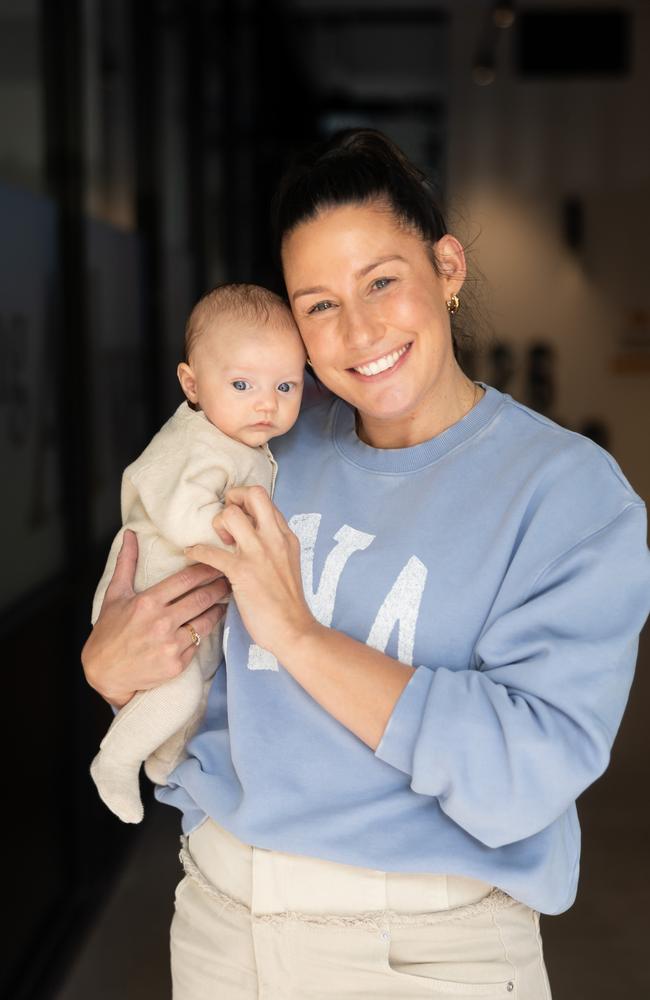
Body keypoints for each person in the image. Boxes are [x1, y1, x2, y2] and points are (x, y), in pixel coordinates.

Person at [82, 130, 650, 998]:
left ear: (447, 268)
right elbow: (173, 611)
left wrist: (301, 636)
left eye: (381, 281)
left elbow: (525, 772)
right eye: (317, 305)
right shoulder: (267, 443)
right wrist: (110, 666)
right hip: (219, 926)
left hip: (424, 953)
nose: (358, 331)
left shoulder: (569, 495)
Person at [89, 283, 305, 824]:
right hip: (147, 590)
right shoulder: (193, 442)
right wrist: (241, 538)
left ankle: (165, 764)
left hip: (191, 602)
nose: (267, 403)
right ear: (191, 384)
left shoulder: (243, 440)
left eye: (286, 385)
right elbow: (181, 513)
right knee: (182, 691)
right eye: (241, 384)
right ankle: (114, 762)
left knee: (198, 686)